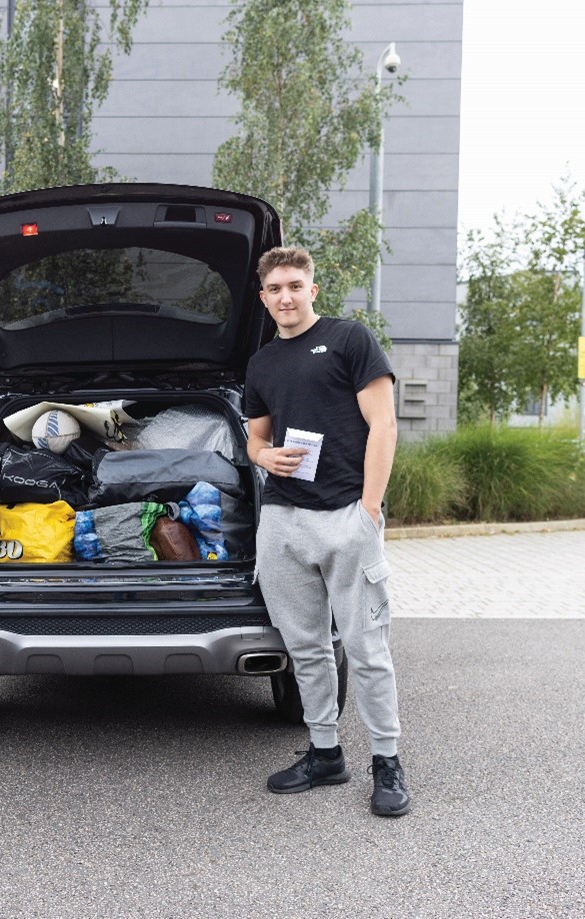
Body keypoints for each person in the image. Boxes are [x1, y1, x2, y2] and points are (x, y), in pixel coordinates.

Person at [243, 246, 411, 817]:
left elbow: (384, 425)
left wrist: (369, 510)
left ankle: (386, 761)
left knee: (366, 649)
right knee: (306, 649)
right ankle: (324, 753)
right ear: (263, 298)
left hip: (345, 516)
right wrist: (264, 458)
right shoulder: (262, 363)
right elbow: (255, 438)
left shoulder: (349, 340)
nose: (286, 296)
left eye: (295, 285)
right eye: (275, 289)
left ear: (312, 289)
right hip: (283, 520)